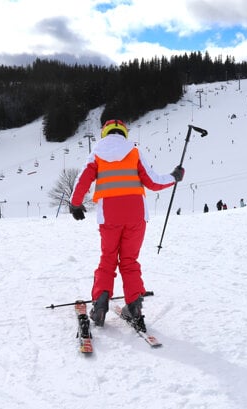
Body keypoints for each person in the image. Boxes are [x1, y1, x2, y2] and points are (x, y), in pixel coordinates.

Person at [69, 119, 184, 332]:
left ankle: (100, 304)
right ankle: (134, 307)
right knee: (129, 260)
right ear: (124, 133)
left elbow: (82, 180)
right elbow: (154, 181)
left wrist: (75, 204)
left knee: (108, 258)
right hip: (136, 216)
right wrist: (174, 177)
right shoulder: (134, 152)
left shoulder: (96, 153)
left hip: (109, 216)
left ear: (105, 133)